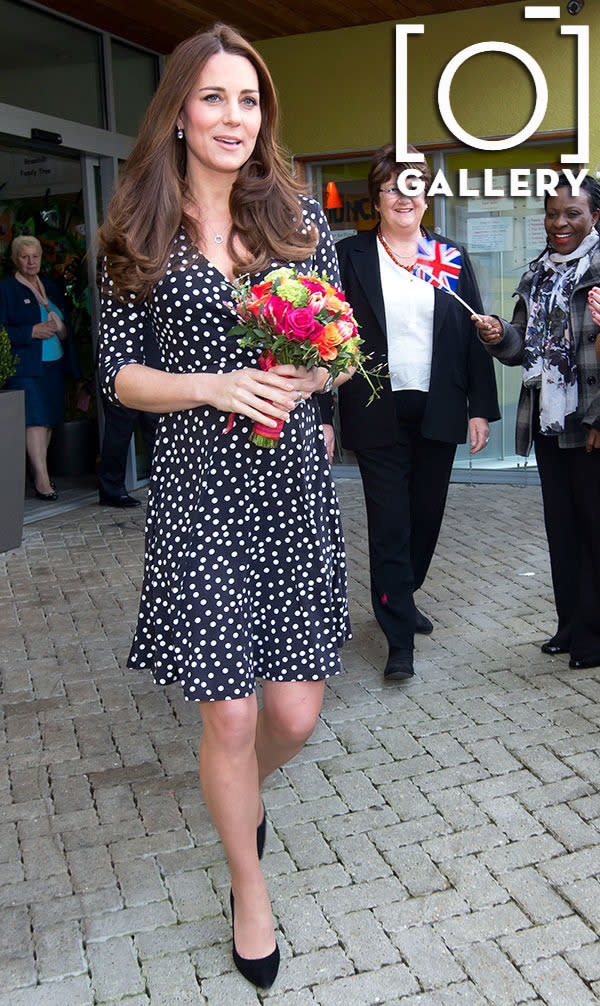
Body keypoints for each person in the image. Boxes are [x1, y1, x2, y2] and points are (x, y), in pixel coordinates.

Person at [97, 24, 352, 990]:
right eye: (213, 98)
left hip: (288, 494)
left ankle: (236, 803)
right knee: (232, 721)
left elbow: (332, 345)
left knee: (293, 712)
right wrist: (210, 385)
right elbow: (118, 376)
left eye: (248, 101)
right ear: (178, 113)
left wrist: (309, 375)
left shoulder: (297, 217)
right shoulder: (136, 226)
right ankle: (248, 883)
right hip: (200, 501)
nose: (233, 118)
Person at [337, 144, 500, 682]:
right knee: (389, 525)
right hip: (374, 407)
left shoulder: (447, 257)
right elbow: (324, 336)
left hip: (439, 406)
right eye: (391, 187)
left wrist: (481, 409)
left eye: (414, 186)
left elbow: (474, 335)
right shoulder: (351, 256)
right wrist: (322, 412)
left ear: (426, 196)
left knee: (424, 521)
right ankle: (398, 637)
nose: (404, 197)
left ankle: (402, 594)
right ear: (377, 199)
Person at [475, 174, 600, 671]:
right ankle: (569, 627)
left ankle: (592, 636)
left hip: (591, 422)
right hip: (550, 421)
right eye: (552, 213)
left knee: (595, 531)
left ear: (595, 216)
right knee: (562, 531)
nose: (560, 222)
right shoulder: (538, 274)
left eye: (572, 212)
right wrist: (497, 334)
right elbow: (524, 349)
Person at [0, 235, 78, 500]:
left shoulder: (51, 288)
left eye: (36, 256)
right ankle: (42, 480)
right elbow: (1, 331)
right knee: (34, 421)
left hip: (53, 365)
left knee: (48, 422)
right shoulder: (6, 289)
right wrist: (30, 331)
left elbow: (66, 329)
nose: (31, 261)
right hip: (26, 368)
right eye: (25, 256)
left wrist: (61, 329)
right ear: (14, 259)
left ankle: (39, 472)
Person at [98, 326, 161, 508]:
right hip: (124, 368)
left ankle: (162, 485)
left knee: (154, 428)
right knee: (118, 432)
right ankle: (111, 489)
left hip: (152, 366)